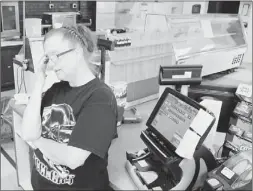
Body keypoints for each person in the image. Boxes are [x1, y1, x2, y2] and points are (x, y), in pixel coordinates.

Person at [21, 25, 118, 190]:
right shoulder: (55, 89)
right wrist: (39, 81)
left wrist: (35, 138)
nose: (51, 65)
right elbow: (27, 130)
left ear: (78, 51)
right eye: (48, 59)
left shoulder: (100, 98)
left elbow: (73, 158)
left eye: (56, 56)